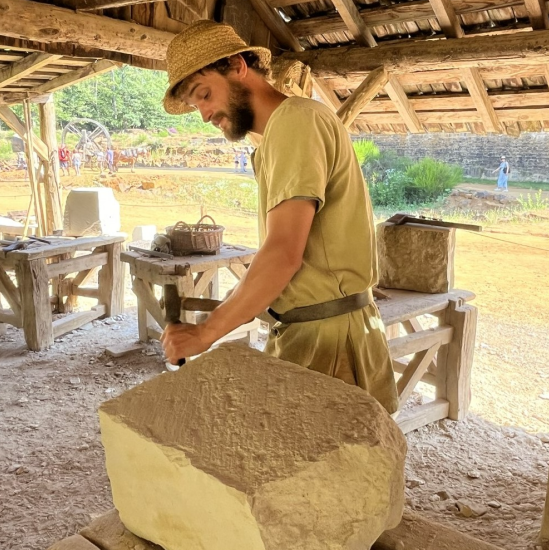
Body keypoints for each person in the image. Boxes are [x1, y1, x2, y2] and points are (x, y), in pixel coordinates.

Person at [159, 21, 398, 414]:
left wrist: (207, 332)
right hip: (310, 329)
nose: (203, 115)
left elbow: (284, 253)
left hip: (330, 337)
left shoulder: (295, 121)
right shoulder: (278, 136)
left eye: (204, 94)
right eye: (194, 105)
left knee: (322, 471)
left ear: (238, 66)